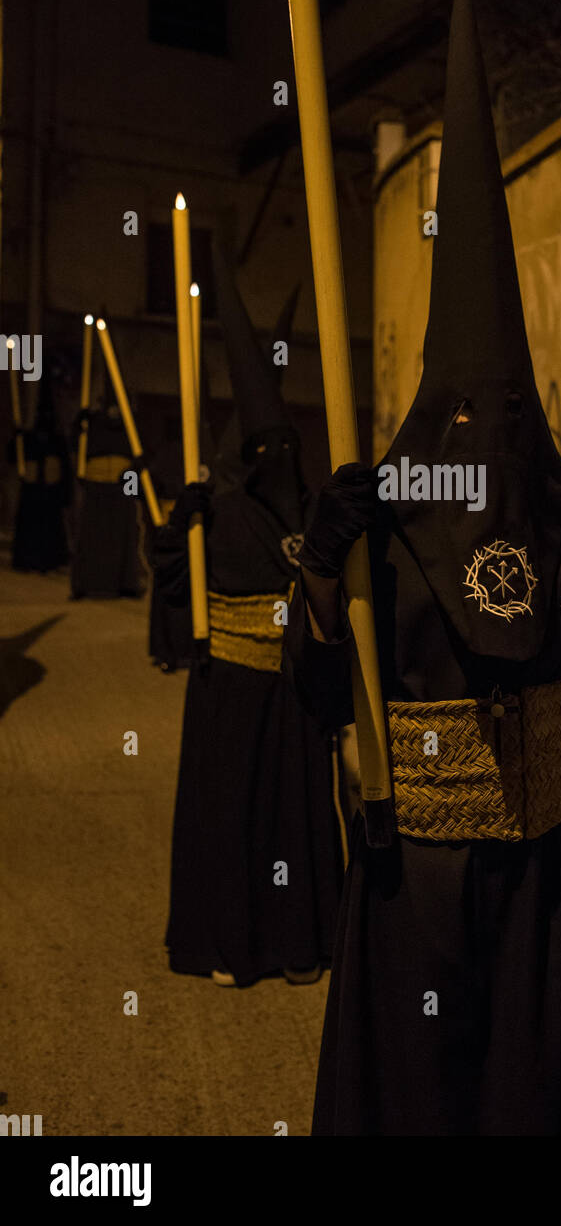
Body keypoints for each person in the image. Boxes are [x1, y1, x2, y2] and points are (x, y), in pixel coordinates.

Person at [285, 0, 561, 1135]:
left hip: (542, 877)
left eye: (505, 416)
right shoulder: (384, 545)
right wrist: (321, 572)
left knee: (522, 1090)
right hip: (415, 876)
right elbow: (320, 697)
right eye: (462, 417)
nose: (483, 445)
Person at [152, 258, 344, 988]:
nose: (280, 461)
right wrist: (180, 526)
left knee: (295, 819)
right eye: (266, 452)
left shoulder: (311, 508)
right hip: (231, 688)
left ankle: (299, 941)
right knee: (232, 815)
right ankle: (230, 942)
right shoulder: (222, 515)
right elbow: (174, 580)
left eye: (287, 449)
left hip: (294, 690)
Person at [70, 399, 143, 598]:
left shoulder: (131, 428)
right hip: (96, 484)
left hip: (124, 483)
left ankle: (127, 584)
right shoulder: (93, 427)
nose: (114, 412)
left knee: (127, 531)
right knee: (90, 534)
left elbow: (140, 456)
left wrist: (133, 484)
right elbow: (75, 446)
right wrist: (79, 423)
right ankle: (84, 584)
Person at [8, 367, 72, 573]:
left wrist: (64, 494)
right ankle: (29, 559)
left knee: (48, 527)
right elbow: (13, 457)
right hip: (33, 494)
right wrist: (18, 438)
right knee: (32, 525)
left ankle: (47, 560)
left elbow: (65, 469)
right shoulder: (30, 439)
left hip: (49, 495)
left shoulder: (56, 441)